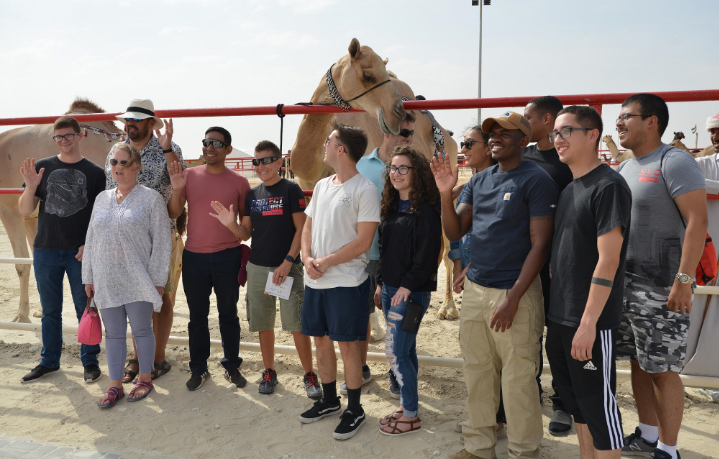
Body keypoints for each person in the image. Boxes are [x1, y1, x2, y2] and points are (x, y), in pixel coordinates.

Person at [433, 112, 558, 459]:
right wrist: (445, 194)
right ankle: (478, 447)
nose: (495, 137)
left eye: (506, 132)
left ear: (524, 140)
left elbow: (540, 245)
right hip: (475, 291)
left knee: (518, 380)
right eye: (492, 132)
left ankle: (523, 451)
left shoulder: (537, 180)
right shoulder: (479, 181)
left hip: (514, 293)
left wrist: (514, 298)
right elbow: (456, 231)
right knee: (478, 374)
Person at [615, 94, 708, 459]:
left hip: (665, 288)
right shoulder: (626, 167)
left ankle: (669, 450)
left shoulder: (675, 161)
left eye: (627, 116)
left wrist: (684, 281)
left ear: (652, 121)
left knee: (664, 370)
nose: (619, 123)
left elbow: (697, 221)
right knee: (640, 361)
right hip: (627, 284)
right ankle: (648, 433)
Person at [545, 105, 631, 458]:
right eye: (555, 133)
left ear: (593, 134)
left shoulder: (609, 186)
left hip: (589, 323)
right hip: (561, 317)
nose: (558, 139)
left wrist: (588, 323)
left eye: (566, 131)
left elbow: (608, 261)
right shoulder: (570, 189)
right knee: (578, 403)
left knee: (600, 409)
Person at [210, 140, 321, 399]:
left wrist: (287, 261)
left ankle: (309, 373)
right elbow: (246, 233)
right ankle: (269, 371)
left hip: (287, 267)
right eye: (256, 162)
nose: (261, 166)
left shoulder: (292, 190)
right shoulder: (252, 194)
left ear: (279, 162)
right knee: (264, 324)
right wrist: (230, 224)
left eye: (266, 160)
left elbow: (301, 230)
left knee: (296, 324)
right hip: (258, 268)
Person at [297, 122, 380, 441]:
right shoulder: (321, 186)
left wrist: (325, 262)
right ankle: (330, 401)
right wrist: (307, 258)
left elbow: (363, 242)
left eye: (329, 141)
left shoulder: (364, 189)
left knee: (348, 346)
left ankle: (355, 409)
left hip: (347, 281)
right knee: (320, 341)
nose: (324, 145)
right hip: (315, 279)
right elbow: (308, 226)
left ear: (341, 149)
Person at [18, 116, 105, 384]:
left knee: (86, 308)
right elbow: (25, 210)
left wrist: (87, 244)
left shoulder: (95, 173)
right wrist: (31, 185)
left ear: (80, 136)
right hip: (45, 248)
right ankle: (49, 361)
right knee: (50, 310)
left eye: (69, 135)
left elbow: (99, 216)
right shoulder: (42, 168)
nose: (64, 141)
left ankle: (89, 361)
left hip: (79, 252)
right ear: (54, 139)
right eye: (59, 137)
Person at [83, 143, 171, 407]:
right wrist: (88, 276)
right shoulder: (102, 198)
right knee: (113, 334)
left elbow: (162, 242)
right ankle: (115, 386)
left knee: (142, 330)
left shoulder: (151, 198)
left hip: (138, 276)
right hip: (106, 276)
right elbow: (91, 237)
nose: (117, 168)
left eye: (123, 163)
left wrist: (157, 280)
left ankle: (145, 379)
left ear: (137, 166)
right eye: (113, 163)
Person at [168, 127, 251, 391]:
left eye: (216, 143)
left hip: (228, 257)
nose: (209, 147)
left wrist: (231, 226)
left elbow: (247, 232)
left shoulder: (240, 182)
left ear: (228, 148)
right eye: (206, 142)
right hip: (194, 258)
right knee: (197, 317)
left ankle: (231, 366)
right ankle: (199, 368)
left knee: (228, 315)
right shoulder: (188, 176)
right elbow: (173, 211)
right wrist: (177, 190)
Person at [107, 99, 184, 383]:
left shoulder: (170, 150)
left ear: (151, 123)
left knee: (160, 297)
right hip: (124, 236)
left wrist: (166, 148)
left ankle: (158, 357)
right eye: (129, 119)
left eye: (137, 119)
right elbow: (109, 193)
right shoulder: (115, 153)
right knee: (131, 295)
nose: (131, 124)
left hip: (161, 233)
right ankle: (139, 358)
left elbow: (179, 188)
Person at [375, 146, 442, 436]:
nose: (397, 174)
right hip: (390, 287)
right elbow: (384, 249)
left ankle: (412, 416)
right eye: (393, 168)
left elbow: (428, 254)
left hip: (411, 292)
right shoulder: (390, 206)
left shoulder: (426, 210)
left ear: (417, 173)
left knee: (395, 352)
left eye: (404, 168)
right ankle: (407, 404)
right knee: (407, 349)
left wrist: (407, 285)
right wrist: (380, 282)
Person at [447, 127, 505, 439]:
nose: (464, 149)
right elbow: (457, 232)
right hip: (473, 276)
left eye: (470, 143)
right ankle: (488, 419)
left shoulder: (504, 181)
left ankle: (499, 419)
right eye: (464, 143)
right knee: (479, 355)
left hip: (497, 278)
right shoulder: (468, 187)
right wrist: (459, 265)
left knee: (499, 356)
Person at [353, 111, 416, 399]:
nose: (409, 138)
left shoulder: (414, 167)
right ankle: (361, 367)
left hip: (396, 254)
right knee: (360, 314)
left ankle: (396, 371)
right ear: (387, 130)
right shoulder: (362, 165)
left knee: (399, 318)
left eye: (411, 133)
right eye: (404, 132)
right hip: (364, 252)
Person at [523, 95, 575, 436]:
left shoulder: (566, 162)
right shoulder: (522, 157)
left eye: (528, 118)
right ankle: (528, 397)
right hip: (524, 261)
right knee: (526, 335)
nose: (523, 125)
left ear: (546, 119)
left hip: (558, 263)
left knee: (557, 337)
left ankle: (563, 405)